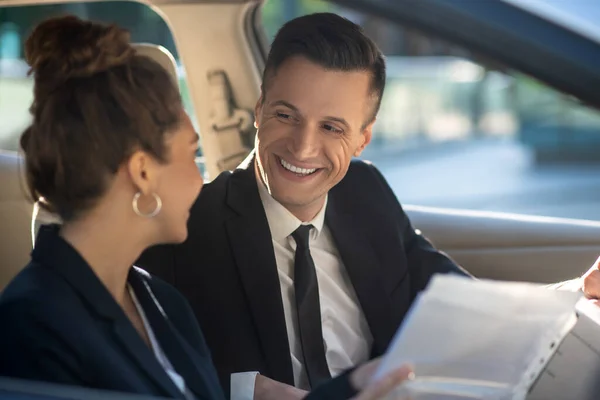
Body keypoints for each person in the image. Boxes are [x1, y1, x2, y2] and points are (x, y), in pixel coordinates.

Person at [136, 11, 600, 400]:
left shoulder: (366, 193)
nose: (302, 147)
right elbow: (150, 366)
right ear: (258, 110)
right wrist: (248, 391)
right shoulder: (186, 230)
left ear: (363, 138)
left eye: (332, 128)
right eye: (285, 115)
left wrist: (574, 294)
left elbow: (456, 304)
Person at [0, 15, 414, 400]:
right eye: (191, 154)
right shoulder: (32, 326)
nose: (204, 179)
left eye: (330, 126)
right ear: (143, 172)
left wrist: (355, 384)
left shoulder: (157, 303)